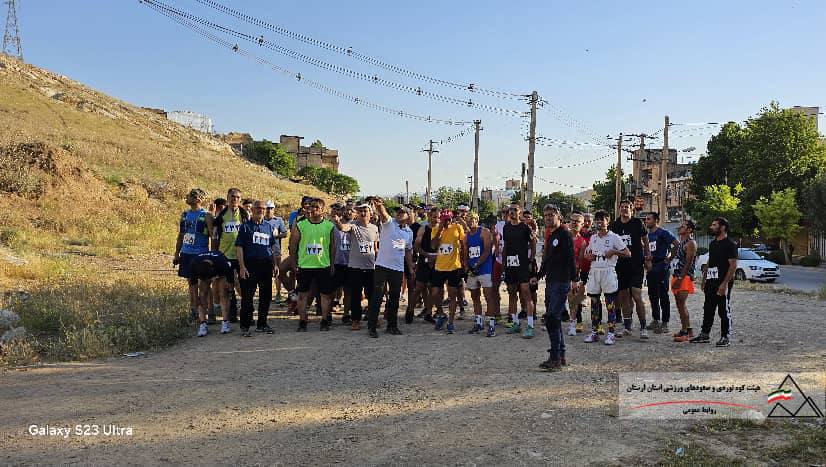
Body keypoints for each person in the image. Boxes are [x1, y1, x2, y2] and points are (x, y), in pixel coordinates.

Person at [535, 205, 577, 370]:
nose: (548, 218)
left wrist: (574, 279)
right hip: (551, 282)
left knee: (552, 318)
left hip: (561, 282)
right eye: (545, 215)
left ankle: (555, 358)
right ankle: (561, 354)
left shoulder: (565, 234)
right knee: (555, 319)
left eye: (551, 215)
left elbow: (570, 258)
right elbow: (547, 261)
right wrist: (537, 277)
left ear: (558, 216)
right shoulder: (550, 235)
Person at [583, 210, 631, 345]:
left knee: (610, 303)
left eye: (602, 220)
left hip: (608, 270)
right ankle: (595, 331)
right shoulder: (593, 238)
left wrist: (614, 251)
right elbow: (588, 253)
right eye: (597, 220)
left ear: (607, 221)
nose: (599, 222)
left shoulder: (614, 237)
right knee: (594, 302)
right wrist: (588, 257)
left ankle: (610, 333)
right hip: (594, 271)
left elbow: (628, 253)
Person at [290, 198, 336, 332]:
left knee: (325, 295)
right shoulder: (301, 224)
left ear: (322, 210)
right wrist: (294, 263)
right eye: (311, 207)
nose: (312, 209)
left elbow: (332, 246)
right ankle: (303, 321)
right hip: (305, 266)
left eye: (316, 207)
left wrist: (332, 264)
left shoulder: (329, 225)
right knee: (303, 295)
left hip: (323, 265)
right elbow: (293, 245)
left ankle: (325, 320)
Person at [370, 199, 414, 337]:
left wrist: (411, 267)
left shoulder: (409, 232)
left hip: (397, 269)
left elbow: (408, 250)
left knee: (394, 299)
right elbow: (383, 214)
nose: (399, 213)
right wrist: (379, 206)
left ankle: (392, 326)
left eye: (402, 212)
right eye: (398, 211)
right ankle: (372, 327)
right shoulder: (389, 224)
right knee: (377, 296)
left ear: (408, 216)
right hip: (382, 266)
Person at [332, 203, 379, 332]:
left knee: (371, 295)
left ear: (370, 214)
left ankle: (373, 318)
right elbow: (343, 228)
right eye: (361, 211)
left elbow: (375, 247)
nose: (363, 213)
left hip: (370, 267)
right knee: (356, 295)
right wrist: (337, 222)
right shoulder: (353, 225)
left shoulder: (374, 228)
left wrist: (378, 261)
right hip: (355, 267)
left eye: (365, 211)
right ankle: (355, 320)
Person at [691, 217, 737, 347]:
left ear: (722, 227)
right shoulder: (713, 244)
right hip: (711, 281)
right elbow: (711, 261)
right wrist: (704, 279)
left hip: (723, 282)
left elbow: (733, 265)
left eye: (714, 225)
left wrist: (724, 284)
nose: (711, 227)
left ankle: (725, 337)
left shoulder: (730, 244)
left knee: (723, 310)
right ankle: (704, 334)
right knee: (708, 309)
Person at [235, 200, 278, 337]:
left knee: (266, 296)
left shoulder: (268, 227)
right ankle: (245, 326)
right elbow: (239, 247)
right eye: (258, 208)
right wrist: (242, 267)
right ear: (252, 210)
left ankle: (262, 324)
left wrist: (275, 264)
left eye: (263, 208)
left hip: (265, 265)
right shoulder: (245, 227)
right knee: (248, 297)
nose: (261, 210)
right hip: (250, 265)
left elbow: (271, 247)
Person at [610, 199, 651, 338]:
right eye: (622, 207)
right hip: (620, 266)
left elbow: (646, 241)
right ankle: (627, 326)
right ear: (619, 209)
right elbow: (611, 244)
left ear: (631, 209)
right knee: (623, 296)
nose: (624, 209)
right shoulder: (614, 225)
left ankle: (643, 327)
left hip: (636, 264)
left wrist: (648, 258)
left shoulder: (637, 223)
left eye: (627, 207)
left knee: (636, 295)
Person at [173, 188, 214, 325]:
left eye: (191, 196)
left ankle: (209, 312)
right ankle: (194, 312)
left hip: (201, 253)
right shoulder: (184, 215)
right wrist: (176, 254)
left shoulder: (207, 215)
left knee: (205, 285)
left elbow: (213, 236)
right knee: (191, 284)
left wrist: (212, 255)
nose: (187, 197)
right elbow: (181, 235)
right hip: (186, 253)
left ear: (198, 199)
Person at [213, 188, 248, 323]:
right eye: (233, 197)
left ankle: (247, 312)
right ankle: (231, 314)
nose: (235, 199)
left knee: (244, 285)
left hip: (241, 256)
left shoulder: (245, 214)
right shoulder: (221, 215)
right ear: (228, 197)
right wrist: (215, 255)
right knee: (228, 286)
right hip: (225, 255)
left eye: (238, 197)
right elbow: (215, 236)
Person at [502, 205, 537, 338]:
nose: (511, 212)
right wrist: (504, 265)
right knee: (511, 294)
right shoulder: (506, 227)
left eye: (514, 210)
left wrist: (531, 260)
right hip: (510, 265)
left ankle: (529, 325)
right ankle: (515, 323)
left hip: (522, 264)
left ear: (519, 212)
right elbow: (505, 246)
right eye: (510, 210)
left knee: (526, 293)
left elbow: (533, 243)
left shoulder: (524, 227)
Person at [430, 208, 467, 334]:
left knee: (452, 295)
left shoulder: (457, 227)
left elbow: (464, 242)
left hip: (454, 267)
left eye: (449, 219)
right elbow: (434, 245)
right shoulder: (436, 229)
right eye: (445, 219)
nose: (447, 222)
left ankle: (450, 322)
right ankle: (441, 314)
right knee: (434, 293)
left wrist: (464, 261)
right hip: (439, 267)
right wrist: (440, 229)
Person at [644, 212, 679, 334]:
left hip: (662, 267)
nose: (646, 221)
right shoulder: (647, 235)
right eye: (646, 219)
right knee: (652, 295)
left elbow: (676, 244)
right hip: (651, 268)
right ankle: (655, 320)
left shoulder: (663, 233)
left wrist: (669, 258)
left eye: (649, 219)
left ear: (656, 220)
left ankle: (665, 323)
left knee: (663, 295)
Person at [464, 212, 496, 337]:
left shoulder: (484, 232)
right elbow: (465, 253)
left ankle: (492, 324)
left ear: (477, 220)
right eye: (469, 219)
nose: (471, 221)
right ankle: (478, 322)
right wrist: (467, 267)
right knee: (475, 296)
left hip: (484, 269)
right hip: (472, 269)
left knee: (488, 296)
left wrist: (477, 264)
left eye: (473, 219)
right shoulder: (466, 236)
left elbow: (488, 250)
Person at [189, 250, 233, 336]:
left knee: (223, 293)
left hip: (220, 272)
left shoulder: (222, 263)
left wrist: (231, 291)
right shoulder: (194, 265)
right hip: (205, 270)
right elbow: (193, 285)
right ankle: (203, 324)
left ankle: (225, 322)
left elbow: (230, 277)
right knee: (202, 295)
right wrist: (196, 300)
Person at [407, 207, 439, 323]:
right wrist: (426, 255)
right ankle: (410, 310)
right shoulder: (423, 229)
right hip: (424, 260)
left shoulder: (442, 230)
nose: (436, 219)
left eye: (438, 217)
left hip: (437, 262)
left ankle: (429, 312)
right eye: (434, 216)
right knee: (419, 287)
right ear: (429, 216)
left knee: (433, 289)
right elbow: (416, 246)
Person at [671, 220, 698, 342]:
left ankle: (686, 333)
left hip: (684, 277)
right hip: (677, 275)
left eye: (684, 226)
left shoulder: (691, 243)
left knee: (682, 304)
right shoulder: (681, 242)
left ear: (689, 230)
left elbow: (689, 263)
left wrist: (681, 278)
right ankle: (687, 329)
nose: (680, 227)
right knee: (679, 304)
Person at [567, 212, 590, 336]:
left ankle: (572, 324)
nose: (575, 223)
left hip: (573, 274)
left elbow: (580, 262)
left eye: (578, 221)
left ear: (582, 225)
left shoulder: (582, 242)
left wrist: (575, 277)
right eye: (573, 220)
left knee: (574, 300)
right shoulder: (563, 236)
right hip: (560, 273)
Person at [331, 203, 354, 324]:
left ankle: (346, 314)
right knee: (332, 290)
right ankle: (327, 314)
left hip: (350, 263)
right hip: (336, 262)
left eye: (352, 210)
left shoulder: (356, 225)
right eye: (347, 210)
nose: (349, 212)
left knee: (348, 290)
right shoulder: (333, 225)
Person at [264, 201, 289, 305]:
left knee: (277, 272)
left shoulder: (278, 220)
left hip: (276, 250)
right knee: (265, 274)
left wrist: (276, 235)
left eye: (271, 208)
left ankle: (278, 293)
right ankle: (267, 294)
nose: (269, 210)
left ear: (274, 209)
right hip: (264, 251)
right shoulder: (261, 220)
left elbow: (285, 233)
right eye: (267, 208)